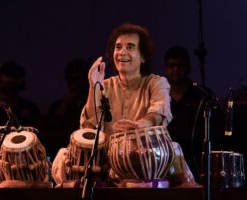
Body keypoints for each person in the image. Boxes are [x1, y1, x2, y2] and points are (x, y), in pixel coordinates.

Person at [52, 23, 198, 188]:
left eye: (130, 47)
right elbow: (88, 127)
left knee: (174, 148)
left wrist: (139, 125)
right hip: (108, 161)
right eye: (118, 47)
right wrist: (93, 86)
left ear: (142, 56)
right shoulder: (104, 86)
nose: (122, 52)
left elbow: (159, 113)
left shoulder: (156, 83)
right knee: (62, 156)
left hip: (145, 158)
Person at [164, 46, 224, 184]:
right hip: (168, 161)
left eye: (180, 65)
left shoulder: (202, 95)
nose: (176, 69)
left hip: (197, 162)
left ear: (189, 68)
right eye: (171, 65)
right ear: (166, 68)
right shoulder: (160, 96)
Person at [43, 57, 91, 160]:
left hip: (88, 153)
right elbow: (51, 130)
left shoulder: (94, 105)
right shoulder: (57, 106)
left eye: (80, 79)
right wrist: (65, 104)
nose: (77, 83)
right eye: (73, 79)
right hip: (62, 153)